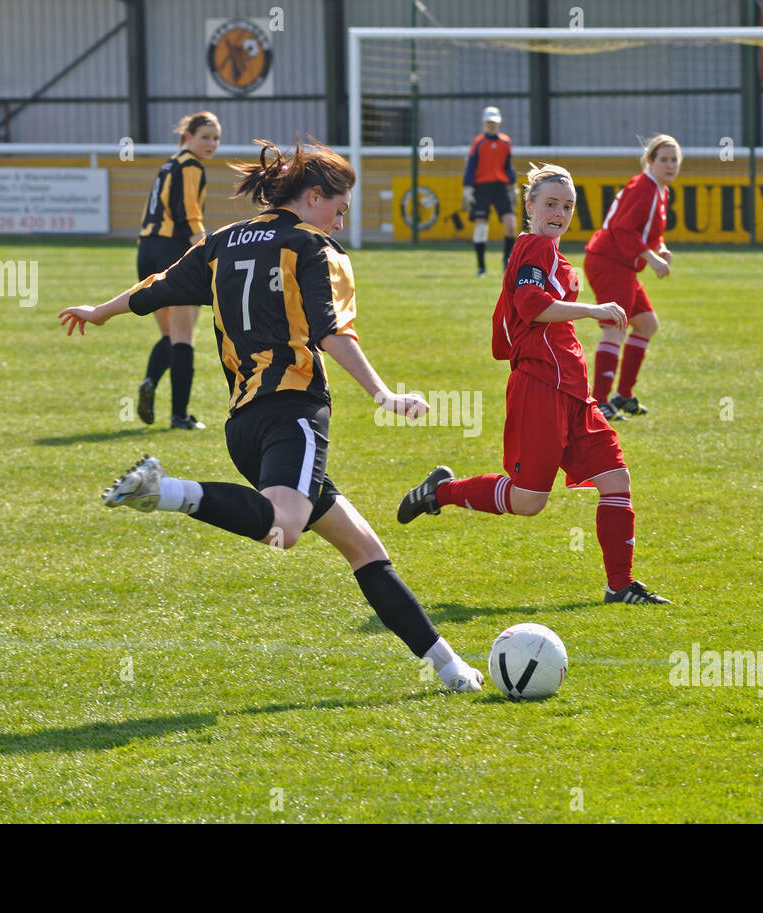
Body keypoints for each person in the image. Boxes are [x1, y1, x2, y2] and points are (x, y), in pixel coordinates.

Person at [57, 139, 485, 693]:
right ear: (313, 196)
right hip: (293, 412)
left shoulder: (223, 242)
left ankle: (452, 670)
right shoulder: (315, 248)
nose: (340, 217)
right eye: (339, 205)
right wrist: (383, 394)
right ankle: (164, 491)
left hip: (243, 425)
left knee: (363, 549)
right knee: (283, 529)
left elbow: (157, 289)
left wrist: (100, 312)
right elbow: (332, 332)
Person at [398, 163, 672, 607]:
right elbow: (530, 304)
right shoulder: (534, 247)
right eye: (550, 203)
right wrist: (592, 310)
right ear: (528, 206)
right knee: (528, 501)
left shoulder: (559, 259)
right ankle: (440, 491)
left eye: (567, 206)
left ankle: (620, 586)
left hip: (574, 394)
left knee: (616, 480)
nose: (559, 212)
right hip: (539, 387)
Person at [584, 134, 682, 421]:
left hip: (622, 264)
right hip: (609, 261)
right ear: (649, 161)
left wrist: (660, 249)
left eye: (674, 159)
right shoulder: (644, 187)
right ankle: (599, 402)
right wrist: (651, 258)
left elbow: (650, 232)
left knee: (646, 324)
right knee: (615, 326)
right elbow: (622, 228)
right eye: (663, 159)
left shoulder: (660, 190)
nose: (670, 165)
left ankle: (623, 395)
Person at [135, 111, 221, 430]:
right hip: (174, 250)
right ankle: (180, 416)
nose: (211, 144)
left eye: (216, 138)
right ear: (188, 137)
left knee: (170, 334)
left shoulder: (169, 163)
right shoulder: (191, 166)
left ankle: (149, 381)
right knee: (184, 336)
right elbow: (189, 215)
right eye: (205, 137)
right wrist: (207, 251)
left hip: (146, 251)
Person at [462, 105, 517, 277]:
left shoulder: (506, 142)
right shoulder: (478, 143)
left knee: (510, 224)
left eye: (494, 122)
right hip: (482, 188)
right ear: (484, 123)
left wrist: (512, 186)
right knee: (481, 227)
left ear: (499, 122)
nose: (491, 125)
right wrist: (468, 188)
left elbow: (507, 166)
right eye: (488, 122)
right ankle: (481, 267)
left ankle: (507, 261)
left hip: (500, 187)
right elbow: (471, 166)